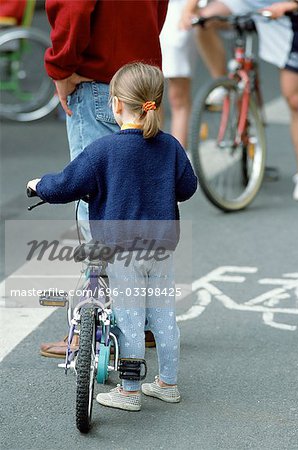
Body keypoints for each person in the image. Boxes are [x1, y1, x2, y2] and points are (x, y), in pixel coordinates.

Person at [28, 62, 197, 411]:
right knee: (164, 318)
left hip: (123, 252)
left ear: (116, 105)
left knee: (131, 320)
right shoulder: (170, 146)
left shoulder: (104, 151)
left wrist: (38, 186)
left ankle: (131, 389)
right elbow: (188, 187)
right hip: (162, 248)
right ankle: (167, 383)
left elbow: (66, 185)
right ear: (155, 104)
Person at [39, 0, 169, 358]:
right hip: (140, 84)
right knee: (139, 202)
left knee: (95, 208)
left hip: (98, 81)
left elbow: (73, 8)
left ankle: (92, 327)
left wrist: (61, 66)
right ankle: (142, 323)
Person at [180, 0, 298, 201]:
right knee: (204, 21)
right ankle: (224, 84)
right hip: (244, 2)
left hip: (283, 9)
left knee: (295, 99)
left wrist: (291, 4)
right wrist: (189, 8)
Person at [160, 0, 226, 148]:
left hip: (178, 11)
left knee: (177, 95)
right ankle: (153, 158)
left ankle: (178, 160)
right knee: (150, 96)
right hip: (146, 11)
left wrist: (189, 8)